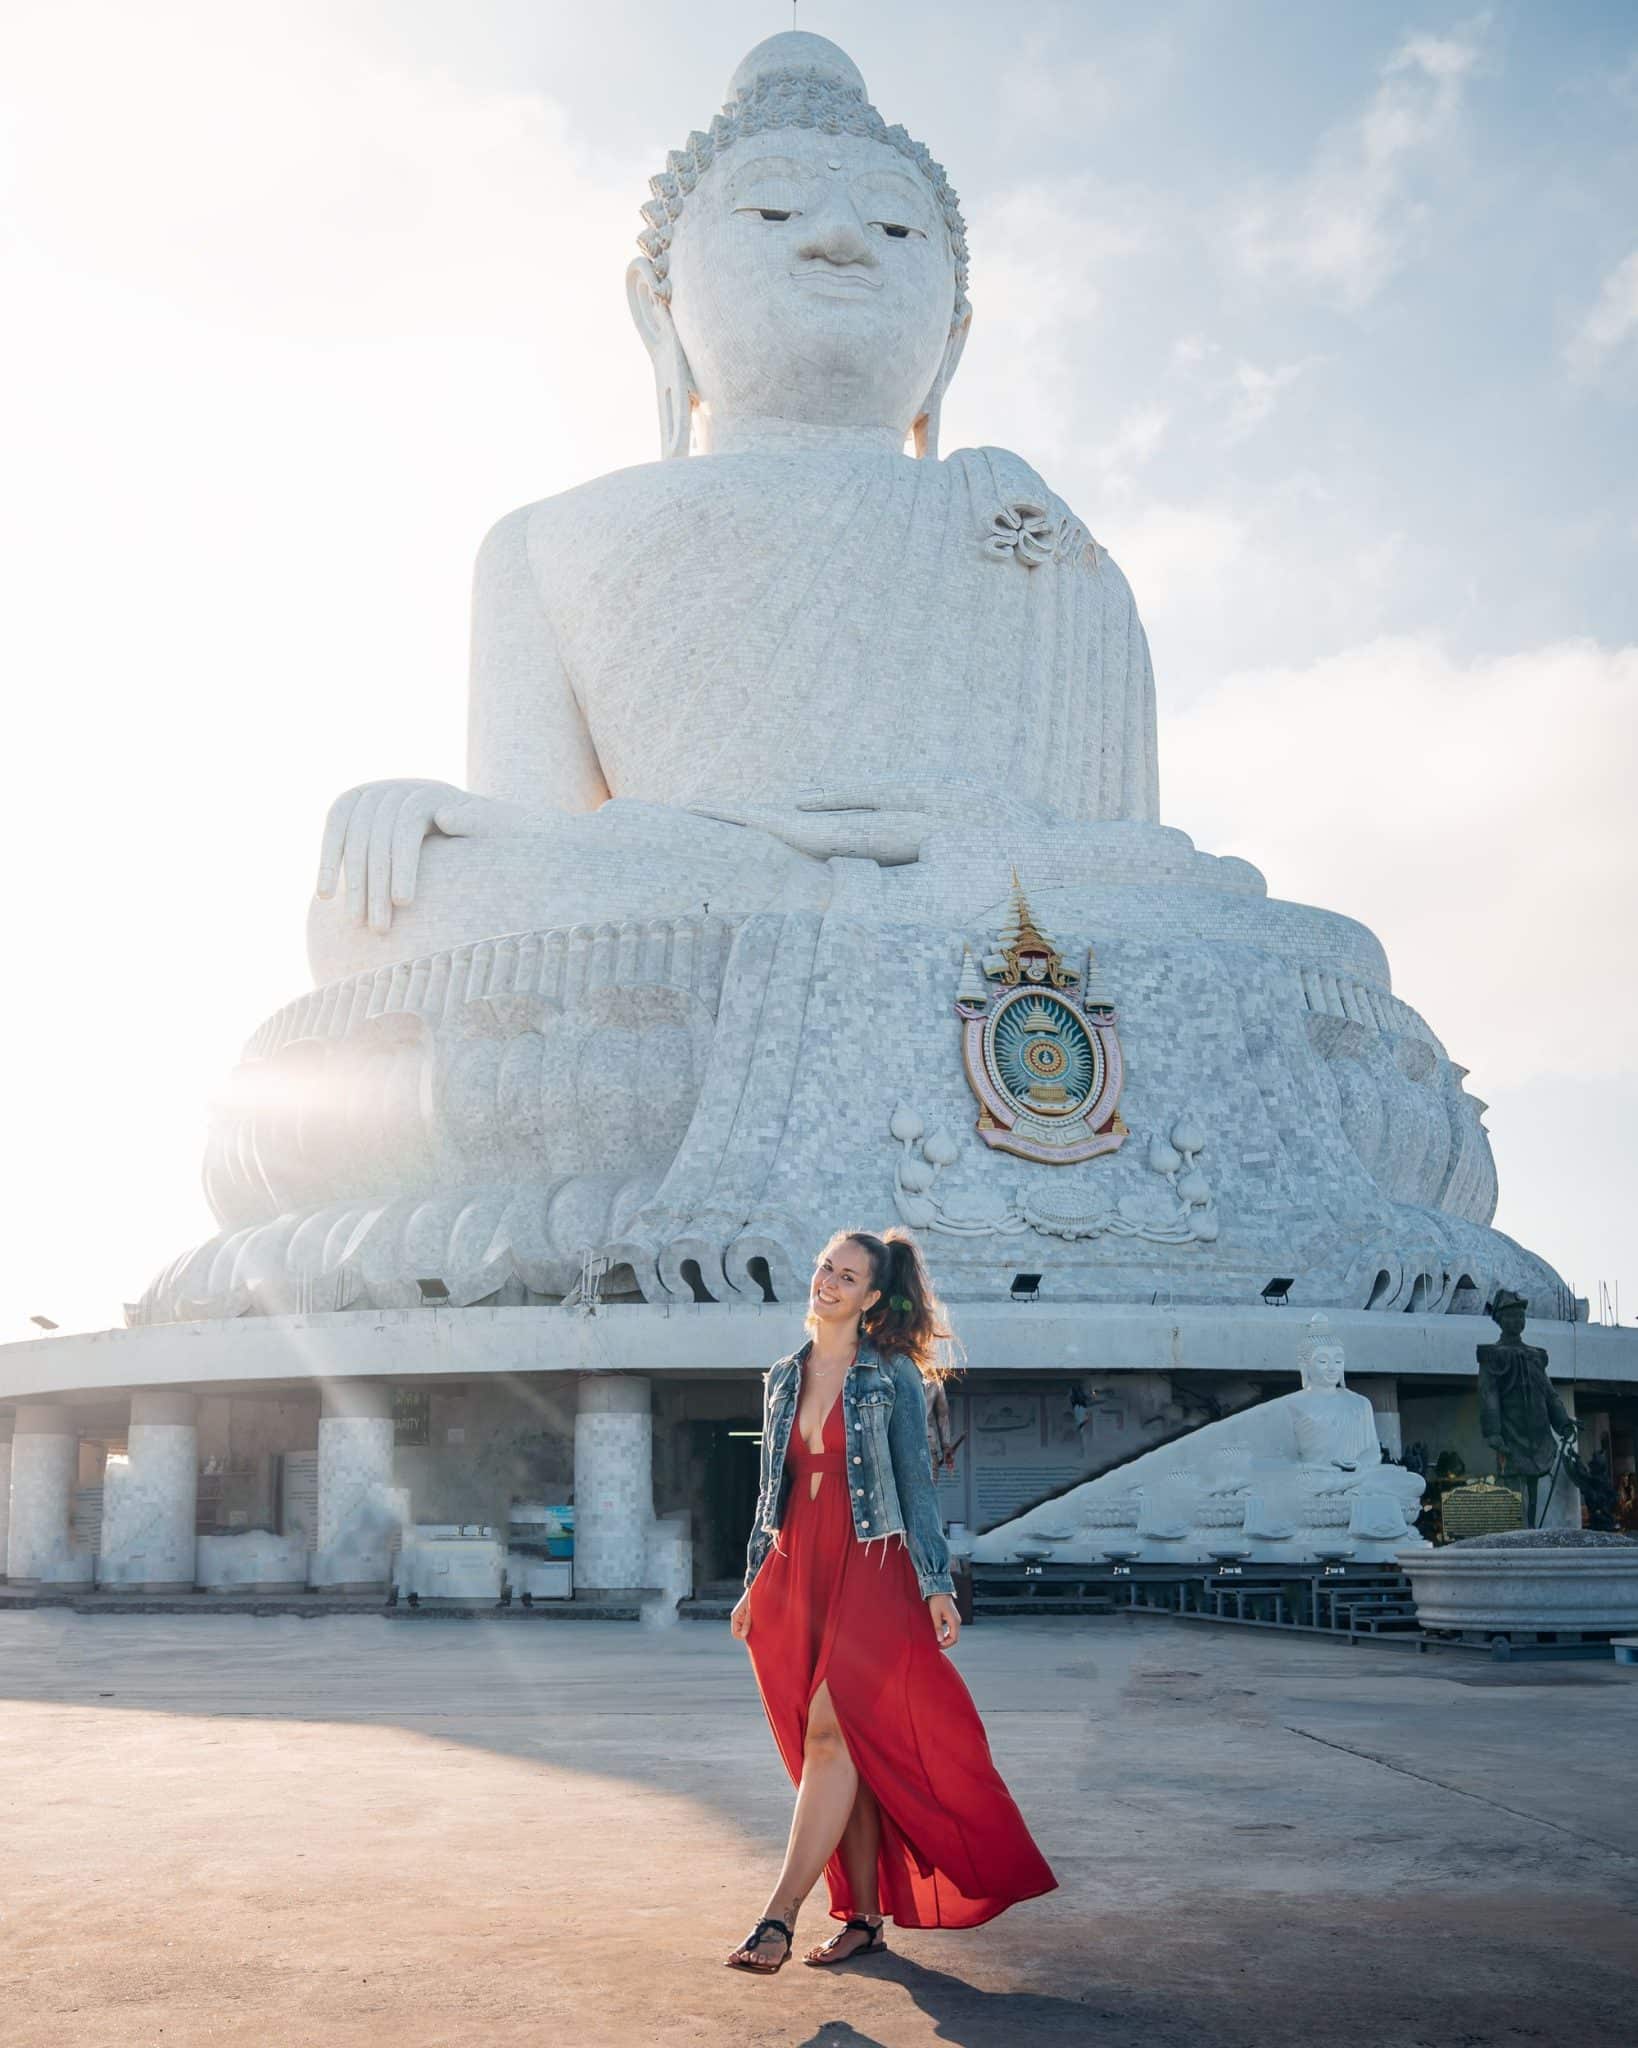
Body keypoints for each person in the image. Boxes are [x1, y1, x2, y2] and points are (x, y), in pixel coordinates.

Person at [725, 1228, 1056, 1975]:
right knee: (845, 1753)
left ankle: (777, 1916)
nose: (828, 1283)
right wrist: (752, 1581)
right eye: (824, 1269)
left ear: (873, 1296)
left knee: (829, 1736)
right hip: (793, 1570)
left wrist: (935, 1583)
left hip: (873, 1566)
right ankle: (865, 1919)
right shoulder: (782, 1377)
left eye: (847, 1276)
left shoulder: (892, 1376)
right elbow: (770, 1495)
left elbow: (916, 1485)